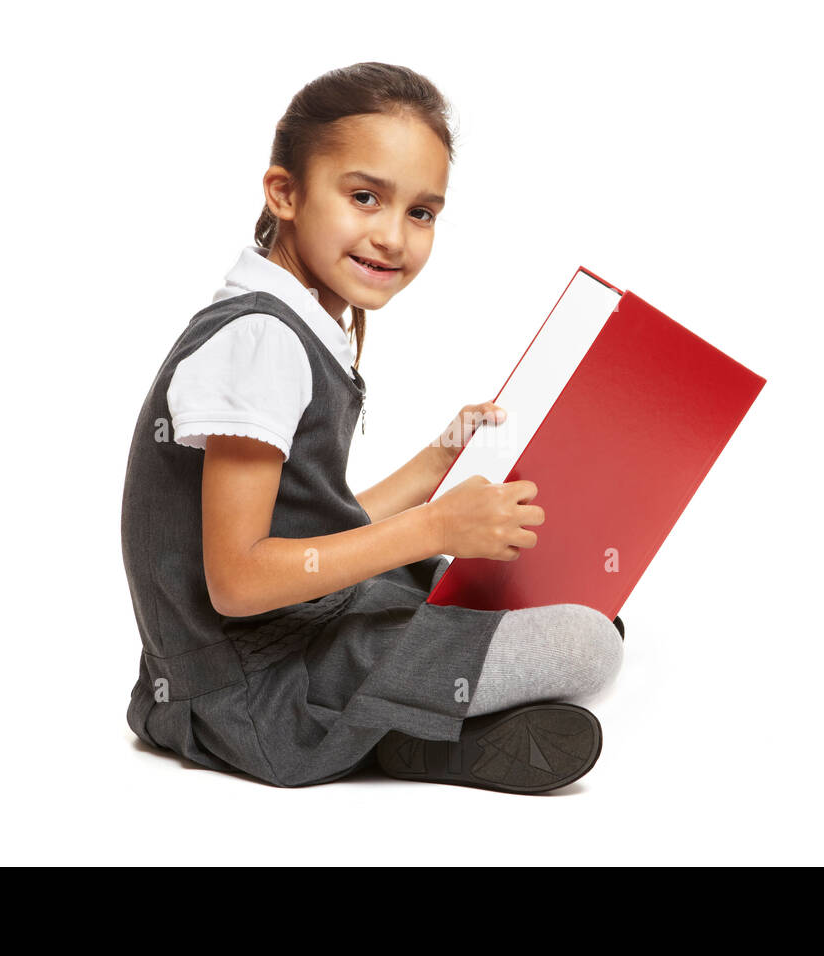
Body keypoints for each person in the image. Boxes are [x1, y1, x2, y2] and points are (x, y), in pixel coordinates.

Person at [121, 62, 623, 795]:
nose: (393, 237)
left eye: (422, 213)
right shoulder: (261, 341)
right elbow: (237, 581)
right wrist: (435, 528)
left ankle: (418, 726)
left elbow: (313, 531)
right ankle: (399, 730)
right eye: (364, 197)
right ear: (284, 193)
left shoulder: (290, 324)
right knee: (589, 646)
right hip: (250, 691)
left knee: (528, 604)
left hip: (278, 644)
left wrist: (436, 462)